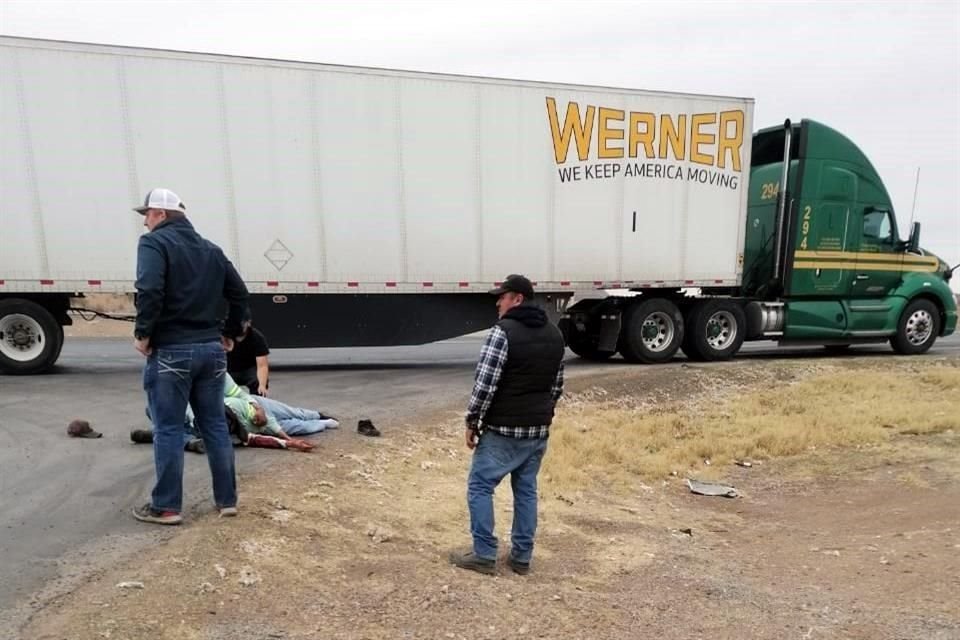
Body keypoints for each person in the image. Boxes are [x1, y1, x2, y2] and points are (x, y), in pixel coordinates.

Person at [132, 187, 248, 526]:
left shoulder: (154, 244)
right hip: (211, 351)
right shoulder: (212, 250)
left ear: (161, 215)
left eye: (147, 216)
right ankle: (227, 500)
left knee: (167, 428)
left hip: (171, 349)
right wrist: (230, 333)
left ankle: (166, 507)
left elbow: (150, 289)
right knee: (213, 425)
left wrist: (143, 333)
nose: (145, 224)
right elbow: (239, 294)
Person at [449, 274, 565, 575]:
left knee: (479, 485)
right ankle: (521, 558)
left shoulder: (503, 333)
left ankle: (484, 554)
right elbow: (556, 386)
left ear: (518, 299)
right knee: (525, 490)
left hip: (504, 431)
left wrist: (473, 420)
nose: (498, 301)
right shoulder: (555, 334)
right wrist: (543, 414)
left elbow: (485, 384)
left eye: (503, 296)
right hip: (538, 431)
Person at [227, 318, 270, 396]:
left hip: (249, 370)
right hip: (229, 369)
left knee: (258, 384)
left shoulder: (257, 337)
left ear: (248, 323)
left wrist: (262, 385)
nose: (239, 326)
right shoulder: (226, 336)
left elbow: (262, 366)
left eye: (242, 323)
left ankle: (258, 404)